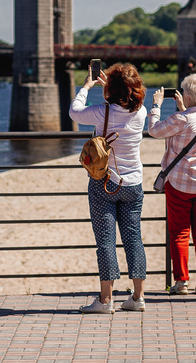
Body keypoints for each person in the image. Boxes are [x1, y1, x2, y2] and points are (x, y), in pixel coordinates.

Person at [70, 63, 148, 313]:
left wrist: (85, 87)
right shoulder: (142, 112)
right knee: (134, 238)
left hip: (105, 184)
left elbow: (74, 112)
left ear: (111, 91)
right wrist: (111, 89)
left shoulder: (101, 113)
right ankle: (138, 297)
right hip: (134, 183)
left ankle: (105, 300)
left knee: (106, 241)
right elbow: (124, 103)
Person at [148, 74, 196, 295]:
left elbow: (154, 130)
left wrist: (156, 106)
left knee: (179, 231)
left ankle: (181, 282)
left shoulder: (180, 120)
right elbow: (193, 122)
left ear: (186, 96)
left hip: (180, 184)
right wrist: (183, 108)